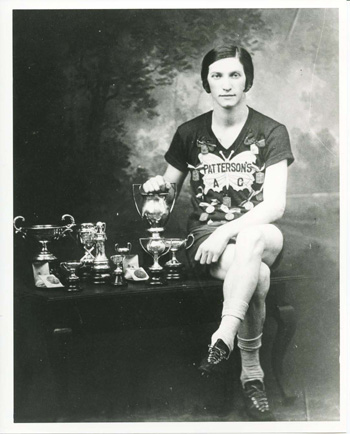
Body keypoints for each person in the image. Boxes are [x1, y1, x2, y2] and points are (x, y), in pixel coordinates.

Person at [142, 44, 294, 421]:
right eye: (217, 76)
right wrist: (154, 189)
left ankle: (222, 336)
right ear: (206, 83)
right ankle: (251, 373)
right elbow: (167, 191)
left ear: (248, 80)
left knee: (252, 239)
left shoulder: (271, 131)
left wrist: (224, 231)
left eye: (235, 75)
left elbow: (274, 206)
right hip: (207, 240)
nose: (226, 84)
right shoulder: (189, 133)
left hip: (260, 232)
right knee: (256, 273)